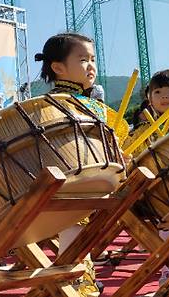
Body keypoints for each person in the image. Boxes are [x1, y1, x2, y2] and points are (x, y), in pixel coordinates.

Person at [35, 33, 130, 297]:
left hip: (92, 184)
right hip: (63, 186)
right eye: (83, 59)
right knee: (73, 224)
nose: (91, 66)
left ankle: (78, 280)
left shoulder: (95, 106)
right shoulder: (46, 105)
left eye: (93, 59)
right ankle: (75, 283)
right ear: (58, 67)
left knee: (78, 227)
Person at [125, 69, 169, 292]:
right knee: (167, 231)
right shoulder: (143, 130)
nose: (165, 96)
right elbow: (134, 159)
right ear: (149, 98)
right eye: (157, 91)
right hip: (163, 199)